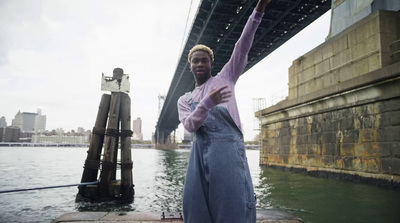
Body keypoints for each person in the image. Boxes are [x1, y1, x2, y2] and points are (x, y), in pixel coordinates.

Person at [177, 0, 271, 222]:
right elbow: (190, 126)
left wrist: (259, 9)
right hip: (199, 155)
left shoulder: (226, 78)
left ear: (211, 64)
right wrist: (208, 102)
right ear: (190, 66)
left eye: (205, 61)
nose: (200, 64)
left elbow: (242, 45)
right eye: (195, 61)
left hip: (228, 152)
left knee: (233, 205)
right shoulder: (184, 99)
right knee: (196, 207)